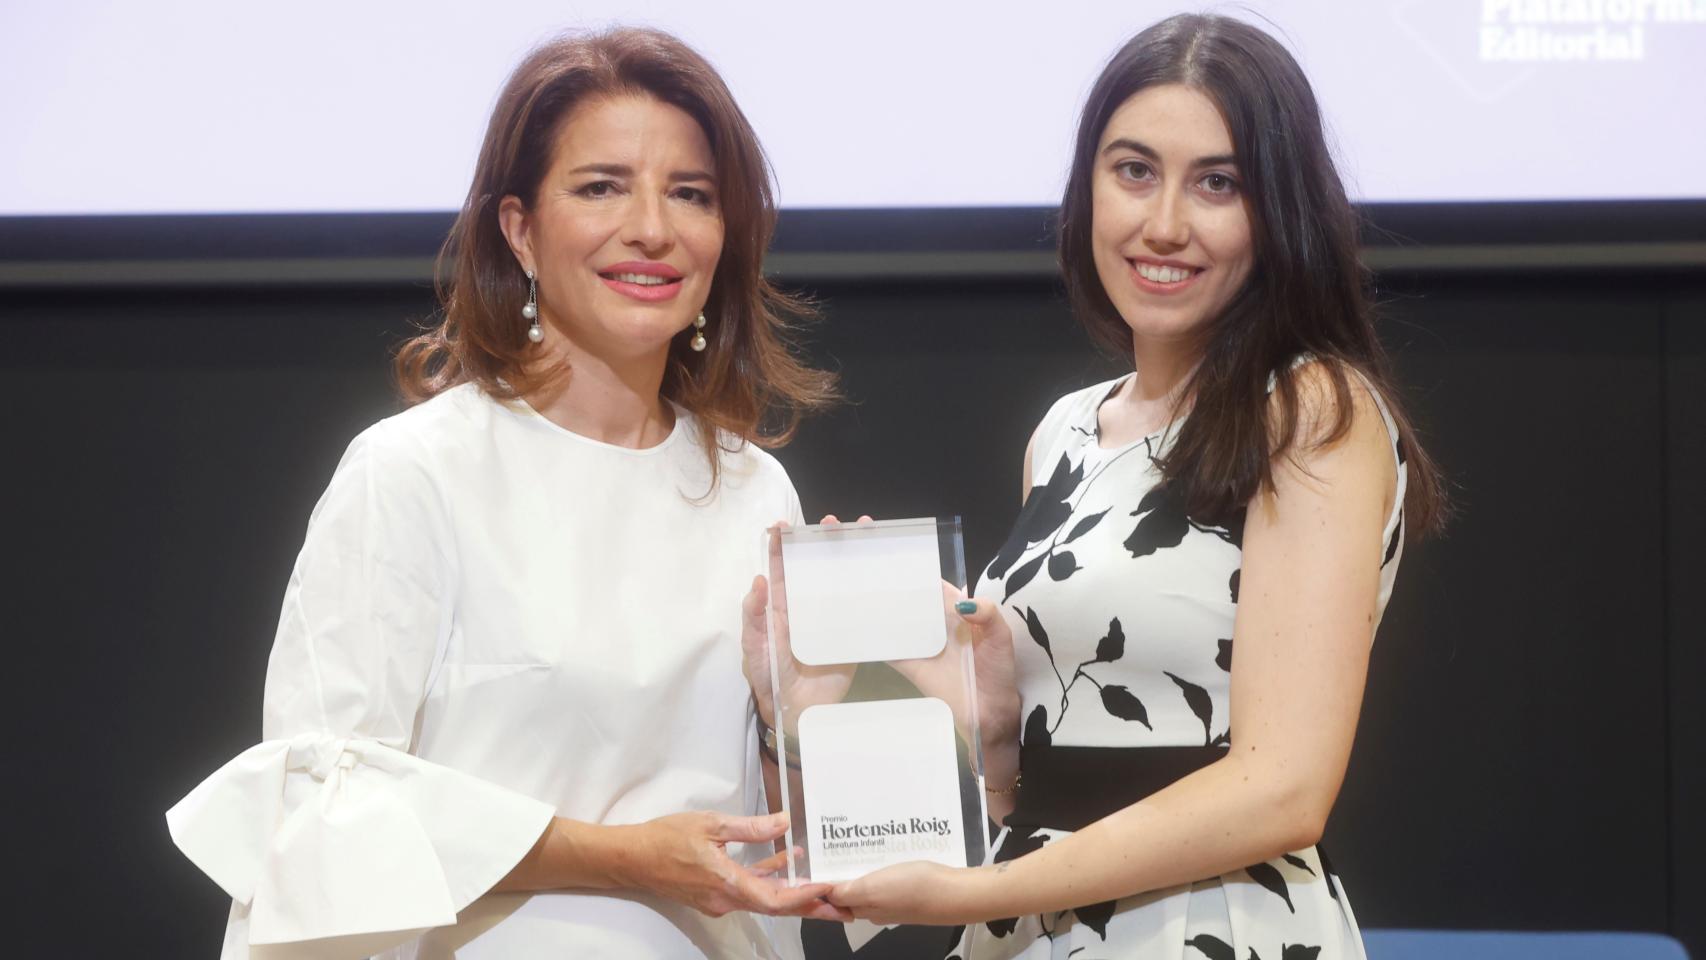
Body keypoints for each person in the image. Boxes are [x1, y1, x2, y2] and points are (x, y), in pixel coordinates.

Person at [165, 27, 843, 959]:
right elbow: (321, 803)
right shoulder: (413, 472)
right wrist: (621, 858)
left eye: (691, 194)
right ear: (518, 229)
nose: (652, 226)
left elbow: (780, 833)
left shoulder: (755, 488)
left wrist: (825, 712)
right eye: (602, 186)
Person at [825, 14, 1448, 959]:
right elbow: (1037, 773)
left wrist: (983, 889)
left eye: (1218, 183)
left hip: (1206, 926)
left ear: (1280, 209)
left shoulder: (1314, 409)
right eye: (1133, 171)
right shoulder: (1067, 428)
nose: (1164, 224)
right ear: (1088, 190)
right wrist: (985, 722)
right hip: (1033, 925)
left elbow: (1284, 788)